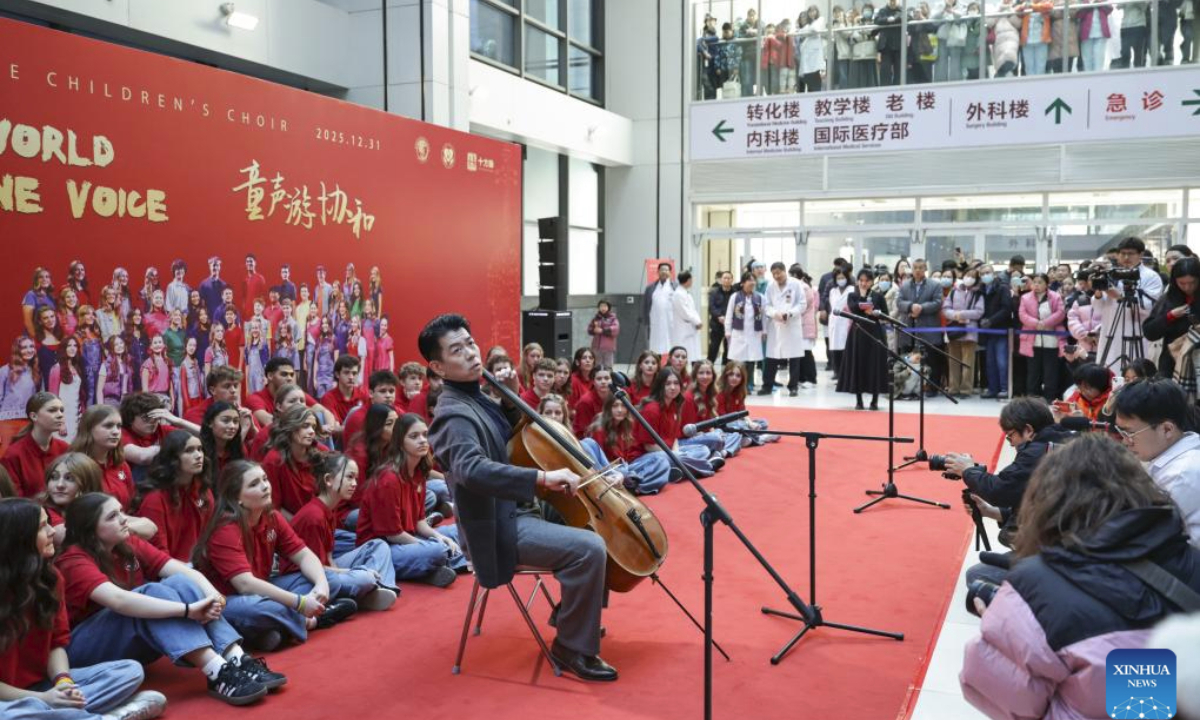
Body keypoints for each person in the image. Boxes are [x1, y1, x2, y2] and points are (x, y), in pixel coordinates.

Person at [421, 314, 616, 681]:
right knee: (590, 548)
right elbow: (472, 470)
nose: (471, 354)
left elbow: (509, 434)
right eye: (457, 350)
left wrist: (510, 395)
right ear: (437, 366)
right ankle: (573, 647)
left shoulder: (476, 394)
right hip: (498, 527)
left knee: (597, 523)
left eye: (471, 343)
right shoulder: (452, 415)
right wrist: (541, 477)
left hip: (520, 509)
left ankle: (572, 616)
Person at [960, 434, 1200, 720]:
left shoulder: (1037, 584)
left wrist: (1002, 628)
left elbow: (1004, 700)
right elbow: (1145, 699)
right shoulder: (1191, 560)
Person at [57, 493, 284, 706]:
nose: (124, 520)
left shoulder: (125, 543)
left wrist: (213, 595)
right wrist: (186, 610)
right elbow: (118, 600)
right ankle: (217, 672)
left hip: (128, 637)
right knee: (152, 591)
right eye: (112, 516)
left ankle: (236, 658)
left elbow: (182, 571)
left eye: (121, 512)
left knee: (178, 582)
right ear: (90, 529)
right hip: (84, 651)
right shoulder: (73, 559)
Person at [0, 497, 166, 720]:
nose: (52, 532)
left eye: (49, 522)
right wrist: (45, 699)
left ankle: (70, 714)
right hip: (6, 697)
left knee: (129, 672)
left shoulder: (50, 578)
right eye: (42, 527)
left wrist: (64, 682)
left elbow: (57, 643)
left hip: (43, 685)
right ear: (18, 538)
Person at [193, 460, 358, 651]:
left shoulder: (272, 517)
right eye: (254, 484)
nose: (265, 486)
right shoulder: (225, 529)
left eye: (264, 479)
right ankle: (312, 620)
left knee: (329, 579)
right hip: (230, 601)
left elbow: (304, 555)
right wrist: (300, 602)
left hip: (265, 587)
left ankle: (274, 632)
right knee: (262, 608)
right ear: (237, 498)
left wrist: (322, 585)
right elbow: (245, 585)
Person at [944, 397, 1072, 585]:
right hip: (1064, 541)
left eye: (1010, 435)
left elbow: (1000, 491)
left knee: (978, 576)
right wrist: (992, 512)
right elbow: (1033, 501)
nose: (1010, 443)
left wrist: (967, 470)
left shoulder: (1037, 453)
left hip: (1058, 553)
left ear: (1028, 430)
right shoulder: (1061, 442)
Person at [280, 452, 397, 609]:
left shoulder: (329, 508)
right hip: (303, 577)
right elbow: (317, 569)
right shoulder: (314, 516)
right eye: (349, 477)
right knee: (364, 577)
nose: (355, 483)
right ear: (328, 480)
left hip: (325, 570)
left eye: (355, 478)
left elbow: (328, 557)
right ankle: (368, 589)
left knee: (378, 546)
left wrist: (345, 571)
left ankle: (380, 587)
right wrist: (352, 571)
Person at [1114, 379, 1200, 547]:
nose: (1125, 442)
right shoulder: (1162, 453)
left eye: (1130, 433)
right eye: (1120, 432)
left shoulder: (1181, 475)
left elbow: (1143, 534)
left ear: (1167, 429)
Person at [136, 431, 212, 561]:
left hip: (197, 566)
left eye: (200, 449)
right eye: (189, 451)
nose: (199, 455)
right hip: (168, 572)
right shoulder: (155, 499)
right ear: (173, 458)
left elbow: (209, 537)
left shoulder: (203, 491)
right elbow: (157, 555)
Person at [1093, 237, 1164, 370]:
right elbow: (1097, 309)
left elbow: (1150, 308)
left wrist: (1119, 296)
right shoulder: (1110, 274)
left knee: (1136, 374)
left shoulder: (1151, 277)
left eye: (1130, 253)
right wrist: (1098, 292)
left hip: (1136, 332)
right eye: (1122, 253)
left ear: (1141, 255)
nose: (1126, 257)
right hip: (1111, 332)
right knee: (1109, 374)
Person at [581, 395, 675, 495]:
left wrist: (626, 471)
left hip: (625, 469)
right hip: (610, 472)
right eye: (615, 406)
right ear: (608, 408)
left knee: (661, 461)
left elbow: (626, 459)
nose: (620, 410)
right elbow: (600, 463)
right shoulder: (599, 430)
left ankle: (634, 485)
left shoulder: (625, 427)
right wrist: (622, 472)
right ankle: (639, 481)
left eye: (623, 406)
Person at [837, 269, 889, 410]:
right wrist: (863, 298)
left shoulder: (878, 296)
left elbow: (885, 314)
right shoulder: (852, 295)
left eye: (866, 280)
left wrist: (873, 313)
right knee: (857, 364)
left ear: (872, 281)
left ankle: (875, 400)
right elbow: (853, 309)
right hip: (858, 333)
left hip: (875, 333)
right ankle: (859, 400)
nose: (864, 283)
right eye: (861, 280)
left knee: (875, 365)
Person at [1144, 256, 1200, 384]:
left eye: (1192, 283)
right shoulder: (1168, 299)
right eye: (1182, 283)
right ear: (1175, 282)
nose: (1187, 287)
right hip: (1171, 363)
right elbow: (1149, 331)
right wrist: (1170, 316)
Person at [3, 392, 68, 497]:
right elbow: (13, 499)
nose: (60, 415)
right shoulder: (13, 455)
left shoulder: (65, 448)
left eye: (61, 410)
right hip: (30, 512)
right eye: (52, 410)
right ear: (34, 416)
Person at [896, 259, 945, 392]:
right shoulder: (905, 285)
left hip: (929, 329)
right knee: (910, 360)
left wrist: (921, 308)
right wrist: (911, 306)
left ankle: (932, 388)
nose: (917, 270)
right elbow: (899, 302)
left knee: (932, 361)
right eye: (915, 268)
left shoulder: (935, 285)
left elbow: (937, 303)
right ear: (912, 269)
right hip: (909, 329)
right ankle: (910, 388)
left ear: (925, 270)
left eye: (920, 268)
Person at [1019, 273, 1067, 402]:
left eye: (1040, 282)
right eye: (1034, 282)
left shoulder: (1056, 297)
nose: (1037, 285)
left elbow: (1060, 313)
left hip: (1052, 340)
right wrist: (1036, 324)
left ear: (1047, 284)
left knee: (1050, 371)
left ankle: (1050, 397)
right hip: (1032, 340)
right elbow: (1022, 315)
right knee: (1033, 371)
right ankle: (1032, 397)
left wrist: (1045, 323)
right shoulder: (1025, 297)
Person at [762, 262, 807, 397]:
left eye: (779, 273)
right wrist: (774, 313)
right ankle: (767, 386)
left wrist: (790, 313)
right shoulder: (770, 286)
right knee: (772, 357)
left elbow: (802, 304)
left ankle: (793, 387)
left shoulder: (796, 284)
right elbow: (766, 305)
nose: (776, 276)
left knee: (794, 358)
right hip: (775, 325)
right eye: (774, 274)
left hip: (791, 324)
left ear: (784, 271)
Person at [942, 267, 985, 398]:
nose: (969, 278)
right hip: (954, 330)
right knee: (953, 360)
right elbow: (945, 308)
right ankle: (953, 388)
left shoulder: (979, 294)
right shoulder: (954, 292)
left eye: (973, 276)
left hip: (970, 331)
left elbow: (979, 312)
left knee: (968, 362)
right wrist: (955, 316)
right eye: (967, 274)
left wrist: (963, 315)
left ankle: (966, 389)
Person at [725, 271, 766, 391]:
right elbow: (729, 315)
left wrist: (764, 331)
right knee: (739, 361)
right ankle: (737, 385)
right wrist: (727, 331)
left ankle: (749, 384)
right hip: (739, 333)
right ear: (743, 283)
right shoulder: (735, 296)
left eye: (754, 280)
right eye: (749, 280)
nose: (752, 282)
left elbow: (763, 316)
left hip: (754, 333)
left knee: (751, 361)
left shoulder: (760, 297)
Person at [826, 266, 853, 382]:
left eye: (843, 277)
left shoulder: (852, 289)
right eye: (838, 278)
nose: (841, 280)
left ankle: (845, 372)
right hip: (834, 322)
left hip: (846, 321)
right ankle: (836, 372)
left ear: (847, 278)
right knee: (835, 348)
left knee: (845, 348)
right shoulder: (833, 291)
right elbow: (832, 306)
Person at [644, 263, 678, 356]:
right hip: (655, 321)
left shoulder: (675, 287)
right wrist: (645, 320)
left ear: (670, 272)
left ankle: (671, 366)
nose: (664, 272)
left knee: (672, 344)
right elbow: (645, 305)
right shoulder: (650, 288)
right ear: (658, 272)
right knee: (655, 345)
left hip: (671, 321)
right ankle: (656, 364)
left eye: (667, 270)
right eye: (662, 269)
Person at [669, 271, 703, 361]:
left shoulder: (686, 293)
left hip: (690, 328)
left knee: (692, 354)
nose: (692, 282)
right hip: (683, 329)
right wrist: (696, 321)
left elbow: (693, 310)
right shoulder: (678, 294)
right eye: (691, 280)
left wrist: (698, 321)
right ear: (688, 280)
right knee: (683, 353)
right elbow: (685, 312)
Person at [707, 271, 734, 365]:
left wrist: (729, 318)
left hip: (731, 324)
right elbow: (711, 307)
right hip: (717, 324)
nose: (726, 280)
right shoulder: (714, 292)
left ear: (732, 280)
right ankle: (709, 363)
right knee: (714, 346)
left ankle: (726, 365)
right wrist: (719, 316)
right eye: (725, 278)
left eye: (729, 278)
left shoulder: (735, 293)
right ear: (721, 280)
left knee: (728, 347)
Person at [586, 301, 620, 369]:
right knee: (596, 365)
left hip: (608, 347)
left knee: (608, 366)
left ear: (608, 308)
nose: (603, 308)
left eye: (605, 306)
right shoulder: (595, 318)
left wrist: (603, 331)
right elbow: (589, 329)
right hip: (596, 347)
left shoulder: (612, 318)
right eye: (601, 306)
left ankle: (607, 377)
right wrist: (593, 330)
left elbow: (615, 329)